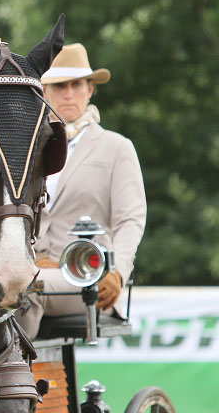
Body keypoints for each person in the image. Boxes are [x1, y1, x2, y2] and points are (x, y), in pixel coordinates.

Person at [18, 43, 147, 339]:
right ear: (44, 91)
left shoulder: (116, 148)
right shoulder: (26, 150)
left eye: (76, 84)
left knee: (24, 288)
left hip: (87, 277)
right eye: (60, 85)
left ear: (89, 89)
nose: (68, 93)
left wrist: (118, 273)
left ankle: (13, 377)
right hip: (30, 267)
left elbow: (131, 220)